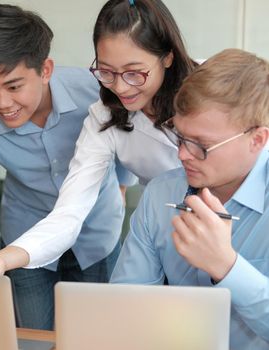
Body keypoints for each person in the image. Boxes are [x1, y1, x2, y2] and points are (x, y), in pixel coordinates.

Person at [0, 0, 195, 275]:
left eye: (134, 73)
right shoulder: (104, 116)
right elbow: (68, 214)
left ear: (167, 57)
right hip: (172, 234)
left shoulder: (210, 87)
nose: (120, 86)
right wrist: (2, 260)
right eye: (106, 72)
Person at [0, 4, 130, 330]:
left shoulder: (93, 90)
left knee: (96, 337)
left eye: (14, 86)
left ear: (45, 70)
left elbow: (127, 140)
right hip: (24, 239)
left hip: (97, 233)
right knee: (34, 338)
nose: (1, 103)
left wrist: (121, 187)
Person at [110, 48, 269, 349]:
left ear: (257, 140)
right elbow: (127, 302)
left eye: (201, 145)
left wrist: (227, 266)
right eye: (180, 136)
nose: (182, 154)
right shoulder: (161, 193)